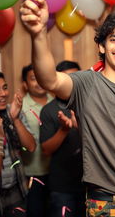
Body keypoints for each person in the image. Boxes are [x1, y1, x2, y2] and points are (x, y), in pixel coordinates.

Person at [20, 0, 115, 217]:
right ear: (101, 47)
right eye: (114, 39)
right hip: (107, 202)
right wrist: (39, 34)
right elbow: (49, 78)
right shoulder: (87, 83)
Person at [39, 60, 85, 217]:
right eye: (66, 80)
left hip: (91, 184)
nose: (70, 84)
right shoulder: (49, 110)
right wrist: (64, 130)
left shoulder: (91, 105)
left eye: (75, 79)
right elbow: (46, 150)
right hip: (62, 187)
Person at [0, 71, 36, 217]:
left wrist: (15, 119)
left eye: (5, 88)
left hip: (16, 188)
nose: (3, 94)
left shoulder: (13, 110)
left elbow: (31, 147)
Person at [21, 64, 53, 217]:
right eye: (34, 79)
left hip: (56, 173)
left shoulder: (57, 102)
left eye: (41, 77)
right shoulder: (20, 107)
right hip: (31, 173)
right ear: (25, 84)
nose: (39, 82)